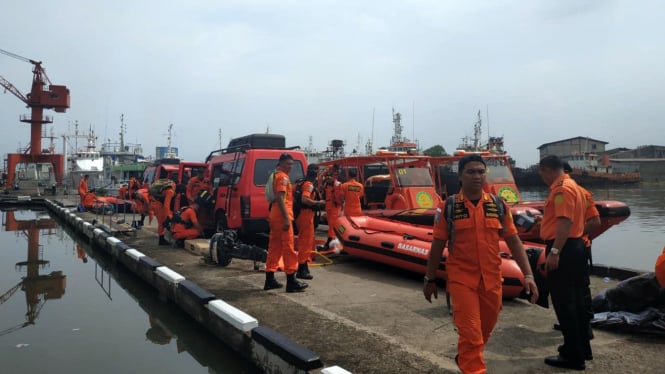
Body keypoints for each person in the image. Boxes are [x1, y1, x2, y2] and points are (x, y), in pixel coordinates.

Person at [423, 154, 538, 374]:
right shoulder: (448, 207)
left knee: (484, 332)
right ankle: (473, 368)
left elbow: (514, 241)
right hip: (462, 280)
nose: (477, 176)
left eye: (480, 171)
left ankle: (465, 358)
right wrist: (429, 278)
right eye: (471, 172)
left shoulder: (497, 205)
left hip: (492, 280)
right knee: (472, 335)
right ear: (460, 177)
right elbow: (437, 245)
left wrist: (529, 275)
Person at [538, 155, 591, 370]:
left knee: (564, 302)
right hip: (576, 246)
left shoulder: (560, 189)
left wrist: (555, 252)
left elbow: (565, 221)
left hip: (565, 248)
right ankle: (582, 349)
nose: (542, 177)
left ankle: (572, 354)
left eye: (542, 173)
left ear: (546, 170)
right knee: (577, 301)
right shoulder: (574, 186)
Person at [264, 153, 308, 292]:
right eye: (288, 164)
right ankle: (291, 280)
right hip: (282, 216)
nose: (291, 166)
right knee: (288, 248)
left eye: (292, 164)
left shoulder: (276, 175)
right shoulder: (282, 177)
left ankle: (269, 279)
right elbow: (280, 199)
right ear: (281, 163)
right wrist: (286, 219)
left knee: (274, 247)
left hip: (275, 215)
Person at [295, 163, 326, 280]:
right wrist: (318, 203)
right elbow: (304, 199)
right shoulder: (308, 184)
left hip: (301, 215)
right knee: (306, 242)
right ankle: (301, 268)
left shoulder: (300, 182)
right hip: (305, 215)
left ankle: (303, 266)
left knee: (306, 241)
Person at [321, 166, 342, 248]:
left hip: (335, 208)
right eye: (327, 177)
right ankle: (332, 241)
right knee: (331, 225)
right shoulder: (326, 184)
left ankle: (331, 241)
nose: (327, 179)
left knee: (333, 226)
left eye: (329, 177)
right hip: (329, 208)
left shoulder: (337, 185)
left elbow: (339, 199)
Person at [151, 181, 175, 246]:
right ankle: (161, 240)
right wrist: (168, 215)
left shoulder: (165, 189)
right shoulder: (170, 191)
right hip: (158, 205)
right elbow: (166, 204)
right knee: (162, 222)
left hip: (155, 204)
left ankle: (161, 239)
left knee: (161, 222)